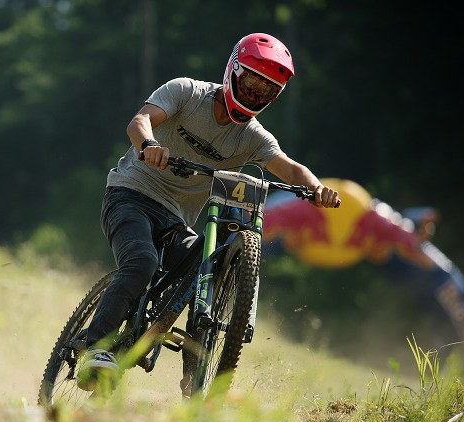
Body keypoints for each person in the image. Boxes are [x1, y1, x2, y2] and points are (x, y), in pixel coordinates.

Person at [77, 32, 341, 392]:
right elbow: (139, 122)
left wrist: (317, 188)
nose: (255, 95)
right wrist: (150, 145)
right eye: (251, 82)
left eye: (266, 92)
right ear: (233, 70)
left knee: (208, 270)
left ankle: (194, 383)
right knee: (141, 263)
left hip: (176, 219)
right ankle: (95, 350)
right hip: (130, 194)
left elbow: (291, 168)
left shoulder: (252, 137)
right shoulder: (186, 91)